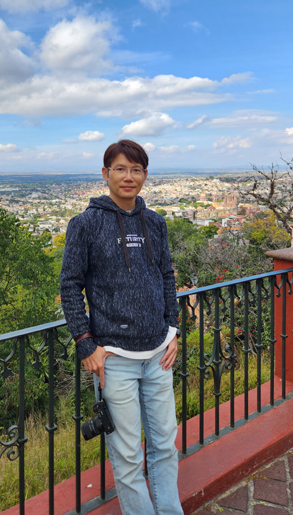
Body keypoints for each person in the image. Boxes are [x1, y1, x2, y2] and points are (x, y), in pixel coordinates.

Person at [60, 139, 184, 515]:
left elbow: (166, 276)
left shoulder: (155, 222)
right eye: (120, 169)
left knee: (165, 446)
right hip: (114, 359)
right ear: (106, 174)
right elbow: (70, 285)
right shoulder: (85, 224)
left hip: (158, 354)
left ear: (144, 175)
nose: (128, 176)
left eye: (136, 169)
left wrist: (173, 329)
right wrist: (85, 343)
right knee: (128, 456)